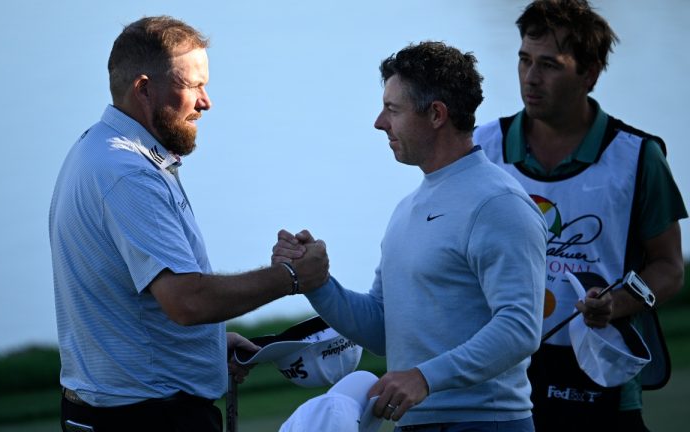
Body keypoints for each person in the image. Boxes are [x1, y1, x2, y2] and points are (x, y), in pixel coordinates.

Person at [48, 16, 329, 432]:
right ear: (144, 89)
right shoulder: (129, 172)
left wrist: (210, 344)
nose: (206, 101)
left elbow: (139, 300)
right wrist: (291, 276)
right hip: (146, 419)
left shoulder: (97, 148)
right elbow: (187, 300)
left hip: (118, 411)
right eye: (193, 86)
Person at [274, 41, 548, 431]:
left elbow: (520, 327)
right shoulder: (408, 207)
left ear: (436, 114)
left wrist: (424, 378)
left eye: (392, 109)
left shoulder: (498, 204)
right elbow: (384, 330)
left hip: (487, 422)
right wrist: (317, 284)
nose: (379, 122)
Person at [472, 1, 687, 431]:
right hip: (502, 366)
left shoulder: (638, 156)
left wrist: (619, 303)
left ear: (588, 74)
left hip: (602, 368)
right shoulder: (482, 147)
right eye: (524, 60)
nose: (531, 79)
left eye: (549, 65)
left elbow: (668, 266)